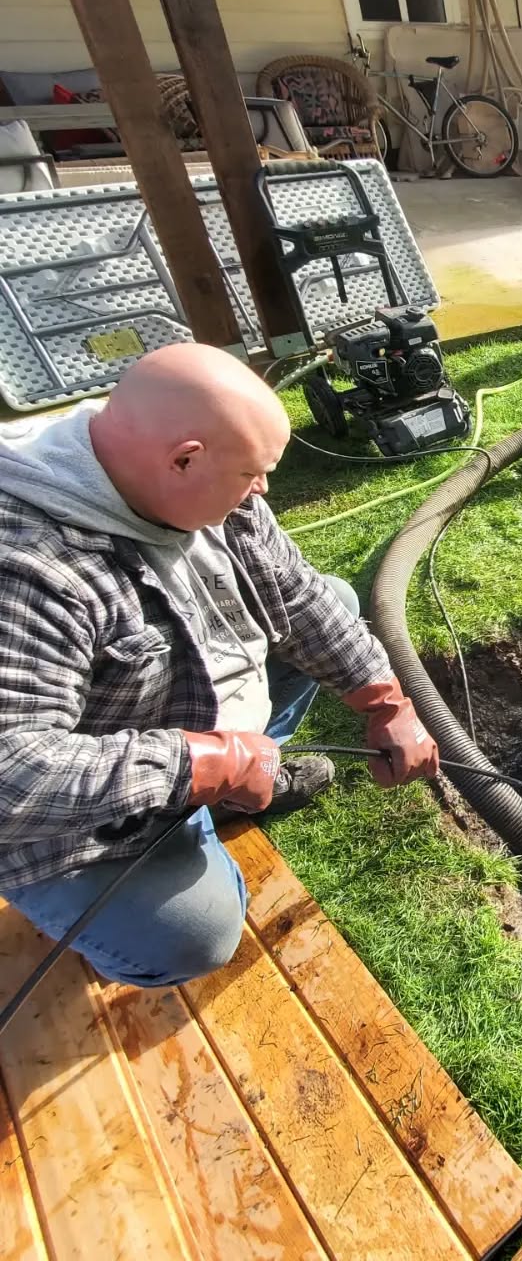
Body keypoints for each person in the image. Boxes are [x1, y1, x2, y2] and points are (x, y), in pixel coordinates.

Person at [0, 343, 440, 988]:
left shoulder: (178, 480)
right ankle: (208, 805)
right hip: (66, 820)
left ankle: (227, 793)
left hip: (158, 718)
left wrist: (384, 702)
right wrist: (209, 763)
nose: (263, 490)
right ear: (185, 458)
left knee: (337, 600)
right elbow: (12, 776)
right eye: (251, 475)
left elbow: (298, 595)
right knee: (192, 940)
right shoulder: (30, 569)